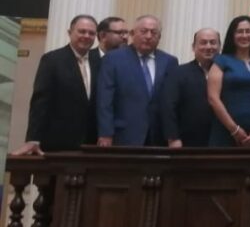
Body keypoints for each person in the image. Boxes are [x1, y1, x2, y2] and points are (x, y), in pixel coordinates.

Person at [13, 14, 99, 155]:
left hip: (90, 144)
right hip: (58, 143)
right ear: (70, 32)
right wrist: (33, 138)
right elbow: (41, 101)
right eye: (82, 31)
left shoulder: (99, 62)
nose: (86, 36)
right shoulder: (52, 60)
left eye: (91, 33)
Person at [97, 14, 178, 146]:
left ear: (159, 37)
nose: (148, 36)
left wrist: (173, 135)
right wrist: (105, 133)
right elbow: (105, 100)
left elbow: (171, 101)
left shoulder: (169, 61)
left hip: (158, 136)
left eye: (154, 32)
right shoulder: (113, 59)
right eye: (144, 31)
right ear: (132, 34)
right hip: (123, 134)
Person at [207, 15, 250, 147]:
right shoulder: (221, 61)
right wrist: (234, 130)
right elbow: (213, 98)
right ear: (232, 35)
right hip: (226, 133)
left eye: (248, 31)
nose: (244, 35)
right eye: (240, 31)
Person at [161, 28, 220, 148]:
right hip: (187, 142)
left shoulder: (227, 73)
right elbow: (168, 107)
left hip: (221, 141)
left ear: (219, 46)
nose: (208, 47)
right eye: (203, 42)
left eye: (213, 42)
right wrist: (173, 138)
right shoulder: (178, 73)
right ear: (193, 47)